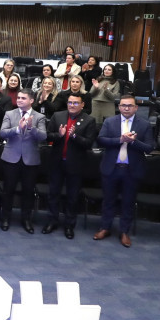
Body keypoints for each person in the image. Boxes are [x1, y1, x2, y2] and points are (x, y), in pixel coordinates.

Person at [94, 95, 153, 247]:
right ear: (119, 107)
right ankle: (105, 227)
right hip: (111, 168)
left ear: (136, 108)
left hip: (131, 170)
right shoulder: (109, 121)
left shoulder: (145, 125)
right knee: (108, 201)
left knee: (128, 202)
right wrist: (120, 140)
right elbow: (101, 140)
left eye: (130, 106)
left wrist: (134, 141)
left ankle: (124, 231)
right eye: (123, 105)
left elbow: (150, 147)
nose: (126, 108)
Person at [43, 93, 98, 239]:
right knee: (53, 193)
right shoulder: (57, 116)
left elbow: (88, 143)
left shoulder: (89, 120)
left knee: (72, 196)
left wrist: (74, 136)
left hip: (76, 164)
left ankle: (69, 225)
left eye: (75, 103)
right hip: (56, 162)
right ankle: (52, 221)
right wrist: (59, 135)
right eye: (70, 102)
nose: (72, 105)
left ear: (82, 105)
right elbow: (47, 135)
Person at [0, 89, 48, 233]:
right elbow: (2, 133)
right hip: (11, 158)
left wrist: (31, 128)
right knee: (8, 190)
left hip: (30, 160)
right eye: (18, 97)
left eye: (23, 98)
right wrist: (17, 129)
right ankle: (6, 218)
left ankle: (26, 219)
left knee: (28, 191)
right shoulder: (10, 114)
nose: (19, 100)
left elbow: (43, 136)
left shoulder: (39, 117)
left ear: (31, 100)